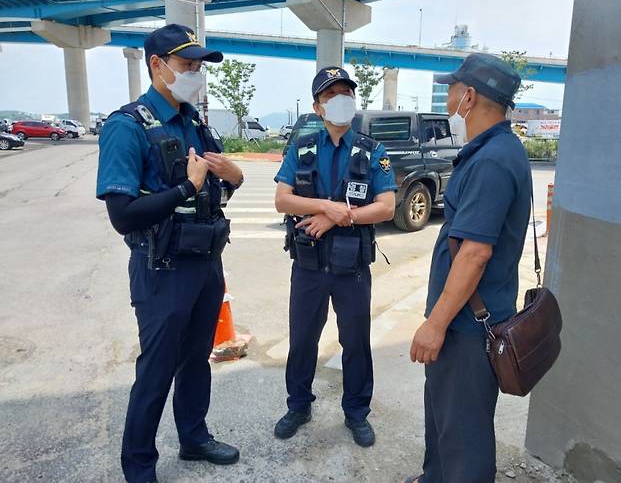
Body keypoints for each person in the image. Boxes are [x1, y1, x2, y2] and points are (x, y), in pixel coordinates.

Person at [96, 24, 244, 483]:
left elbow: (215, 190)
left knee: (197, 358)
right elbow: (123, 214)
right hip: (161, 267)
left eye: (199, 66)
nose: (195, 74)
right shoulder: (127, 127)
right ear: (157, 65)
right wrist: (185, 185)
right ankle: (139, 467)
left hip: (204, 262)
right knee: (157, 369)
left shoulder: (194, 123)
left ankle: (194, 438)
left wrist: (234, 175)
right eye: (187, 65)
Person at [404, 53, 531, 483]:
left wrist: (435, 324)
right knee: (443, 420)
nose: (447, 99)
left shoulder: (493, 160)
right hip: (461, 321)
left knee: (465, 436)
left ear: (470, 97)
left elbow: (475, 254)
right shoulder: (491, 151)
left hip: (466, 326)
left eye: (451, 90)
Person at [273, 66, 397, 447]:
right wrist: (327, 207)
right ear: (318, 107)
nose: (340, 100)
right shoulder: (303, 147)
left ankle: (356, 412)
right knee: (302, 340)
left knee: (355, 341)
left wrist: (340, 218)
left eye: (346, 93)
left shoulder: (373, 150)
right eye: (331, 95)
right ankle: (298, 405)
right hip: (309, 265)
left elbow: (387, 207)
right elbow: (283, 200)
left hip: (351, 268)